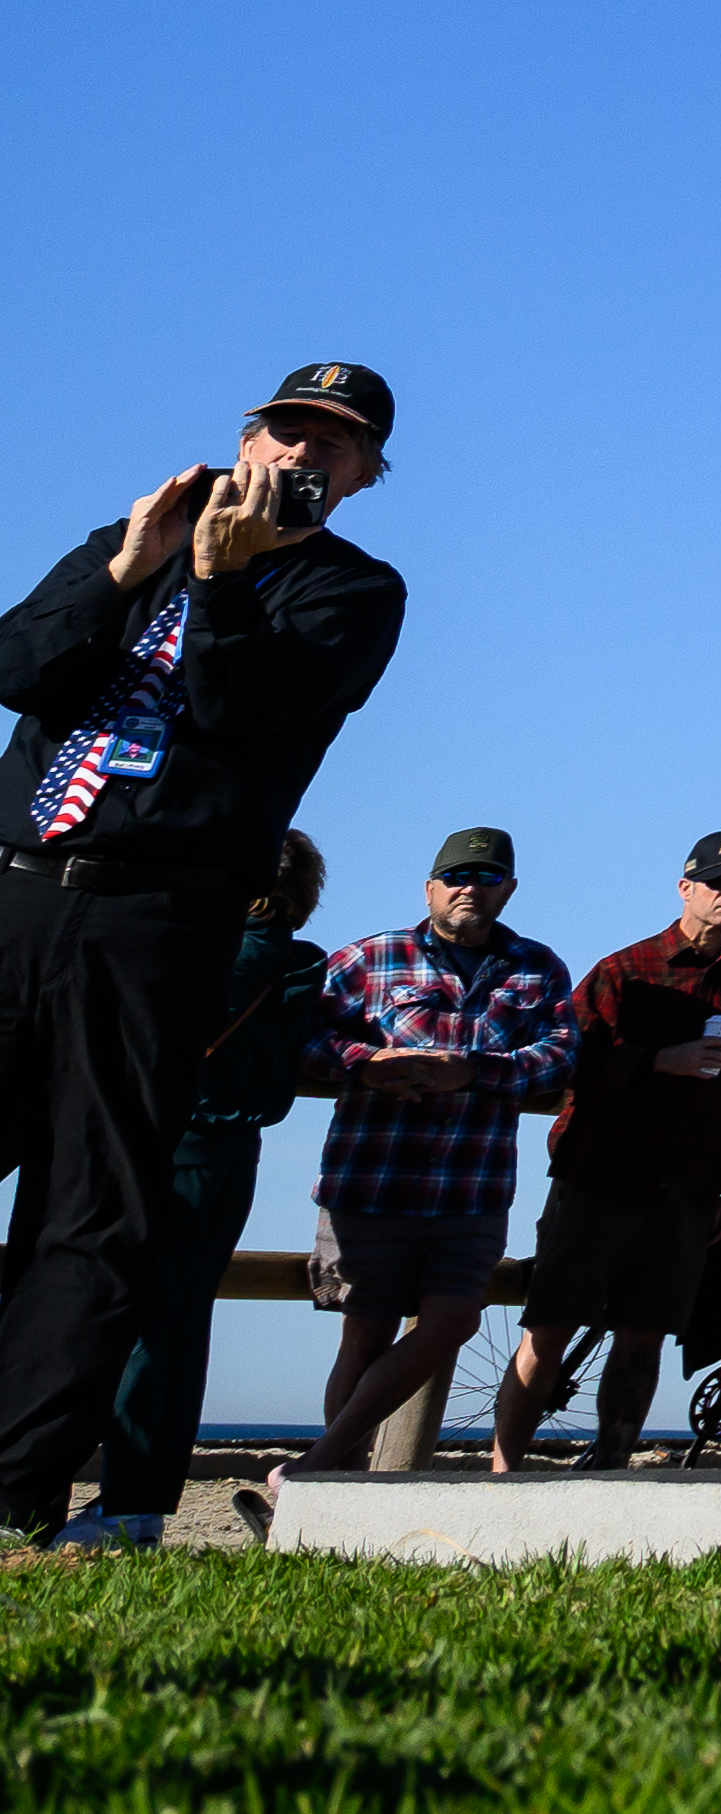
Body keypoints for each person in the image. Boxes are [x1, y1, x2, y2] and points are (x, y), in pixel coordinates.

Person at [1, 361, 409, 1549]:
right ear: (249, 433)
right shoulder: (137, 535)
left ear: (366, 473)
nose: (302, 456)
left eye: (335, 447)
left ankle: (16, 1481)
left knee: (91, 1209)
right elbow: (19, 666)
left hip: (157, 919)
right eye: (288, 429)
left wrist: (224, 586)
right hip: (21, 887)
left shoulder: (352, 591)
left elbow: (249, 717)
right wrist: (131, 568)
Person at [497, 834, 721, 1470]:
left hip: (687, 1189)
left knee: (643, 1336)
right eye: (718, 881)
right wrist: (661, 1062)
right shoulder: (625, 968)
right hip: (597, 1175)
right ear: (685, 887)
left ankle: (610, 1468)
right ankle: (502, 1471)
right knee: (549, 1327)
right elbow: (566, 1061)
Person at [76, 837, 330, 1547]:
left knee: (87, 1310)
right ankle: (136, 1504)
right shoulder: (300, 965)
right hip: (220, 1155)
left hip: (132, 1140)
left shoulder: (181, 945)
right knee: (173, 1329)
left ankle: (63, 1486)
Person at [297, 826, 570, 1478]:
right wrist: (367, 1063)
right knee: (365, 1334)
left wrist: (474, 1070)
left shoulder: (538, 968)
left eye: (485, 877)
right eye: (456, 877)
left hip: (471, 1187)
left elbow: (561, 1057)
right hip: (371, 1178)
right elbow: (302, 1039)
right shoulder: (367, 959)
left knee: (452, 1324)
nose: (468, 888)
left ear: (508, 888)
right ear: (429, 888)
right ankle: (336, 1484)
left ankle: (317, 1470)